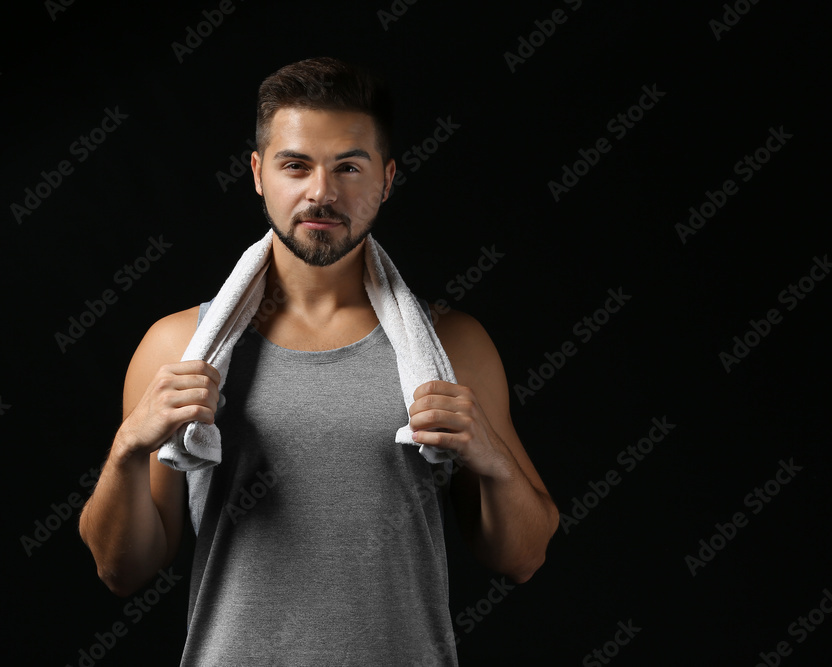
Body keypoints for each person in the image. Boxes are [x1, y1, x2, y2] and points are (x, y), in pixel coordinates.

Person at [79, 57, 558, 664]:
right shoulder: (179, 347)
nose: (322, 192)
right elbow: (123, 571)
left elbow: (523, 558)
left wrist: (491, 459)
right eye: (296, 165)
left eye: (348, 167)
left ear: (386, 179)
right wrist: (126, 451)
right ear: (258, 173)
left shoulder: (451, 347)